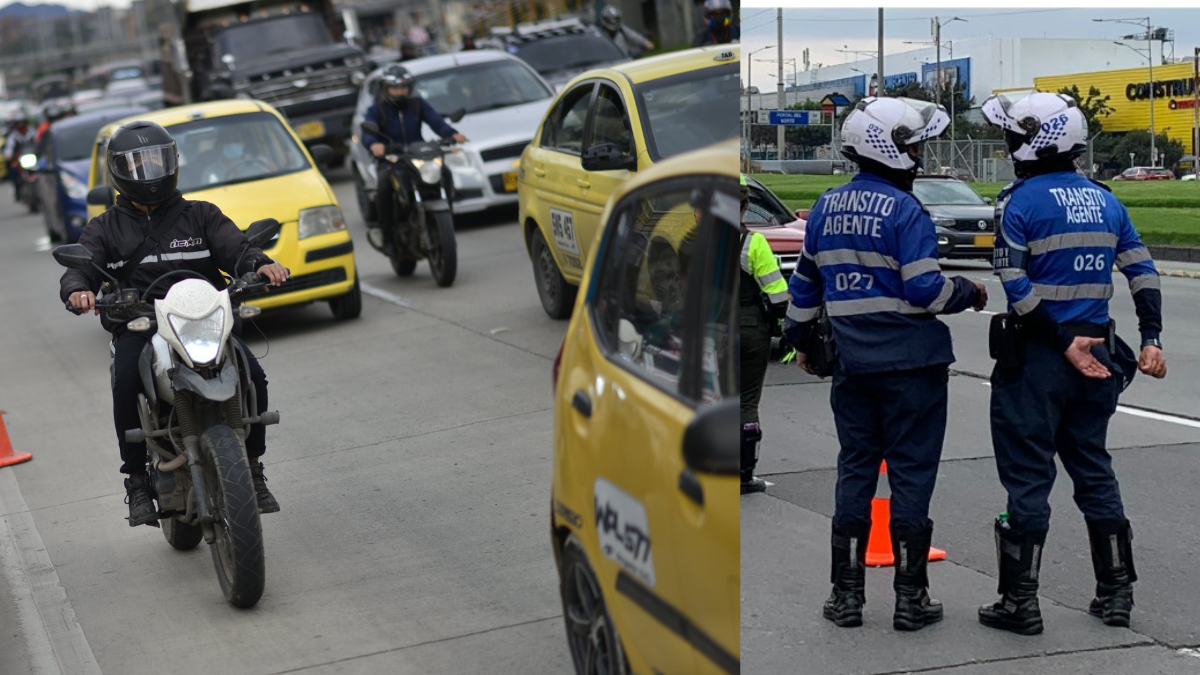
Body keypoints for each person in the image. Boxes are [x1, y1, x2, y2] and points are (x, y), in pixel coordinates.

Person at [784, 97, 987, 631]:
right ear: (892, 148)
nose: (919, 155)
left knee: (854, 471)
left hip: (854, 367)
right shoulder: (906, 211)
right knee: (911, 478)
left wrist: (801, 341)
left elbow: (804, 288)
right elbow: (925, 289)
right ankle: (910, 598)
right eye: (914, 145)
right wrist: (969, 289)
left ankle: (846, 597)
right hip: (913, 369)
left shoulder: (825, 207)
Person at [977, 92, 1166, 635]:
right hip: (1100, 355)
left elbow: (1013, 282)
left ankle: (1021, 604)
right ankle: (1116, 595)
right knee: (1093, 469)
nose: (1009, 144)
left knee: (1028, 478)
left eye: (1013, 136)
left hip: (1040, 358)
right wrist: (1150, 337)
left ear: (1033, 142)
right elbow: (1143, 271)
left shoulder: (1019, 202)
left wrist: (1060, 341)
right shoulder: (1106, 201)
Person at [58, 120, 288, 527]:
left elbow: (236, 249)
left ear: (173, 162)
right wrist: (79, 290)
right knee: (126, 380)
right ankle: (136, 482)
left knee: (254, 375)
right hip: (140, 324)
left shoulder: (201, 215)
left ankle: (252, 467)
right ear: (118, 170)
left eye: (156, 161)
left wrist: (261, 264)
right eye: (136, 164)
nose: (148, 172)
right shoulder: (104, 227)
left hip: (202, 319)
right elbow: (81, 268)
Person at [361, 65, 467, 255]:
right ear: (385, 89)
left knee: (445, 172)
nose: (400, 92)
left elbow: (436, 121)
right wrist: (373, 144)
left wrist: (452, 134)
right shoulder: (376, 110)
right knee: (384, 185)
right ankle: (388, 237)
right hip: (391, 159)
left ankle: (445, 220)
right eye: (394, 88)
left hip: (418, 156)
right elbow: (366, 134)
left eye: (403, 87)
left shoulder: (417, 104)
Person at [740, 174, 788, 495]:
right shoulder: (753, 243)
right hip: (749, 333)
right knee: (746, 402)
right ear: (744, 207)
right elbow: (778, 296)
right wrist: (787, 332)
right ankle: (744, 474)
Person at [198, 124, 278, 185]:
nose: (233, 144)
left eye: (237, 140)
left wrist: (274, 172)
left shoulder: (260, 163)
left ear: (244, 143)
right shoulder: (210, 172)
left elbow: (275, 185)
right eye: (227, 141)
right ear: (220, 145)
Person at [4, 114, 35, 198]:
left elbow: (39, 143)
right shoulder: (13, 136)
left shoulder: (33, 132)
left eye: (22, 122)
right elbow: (9, 148)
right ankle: (16, 189)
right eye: (18, 123)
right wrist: (9, 156)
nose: (20, 125)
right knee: (13, 170)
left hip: (34, 157)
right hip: (20, 159)